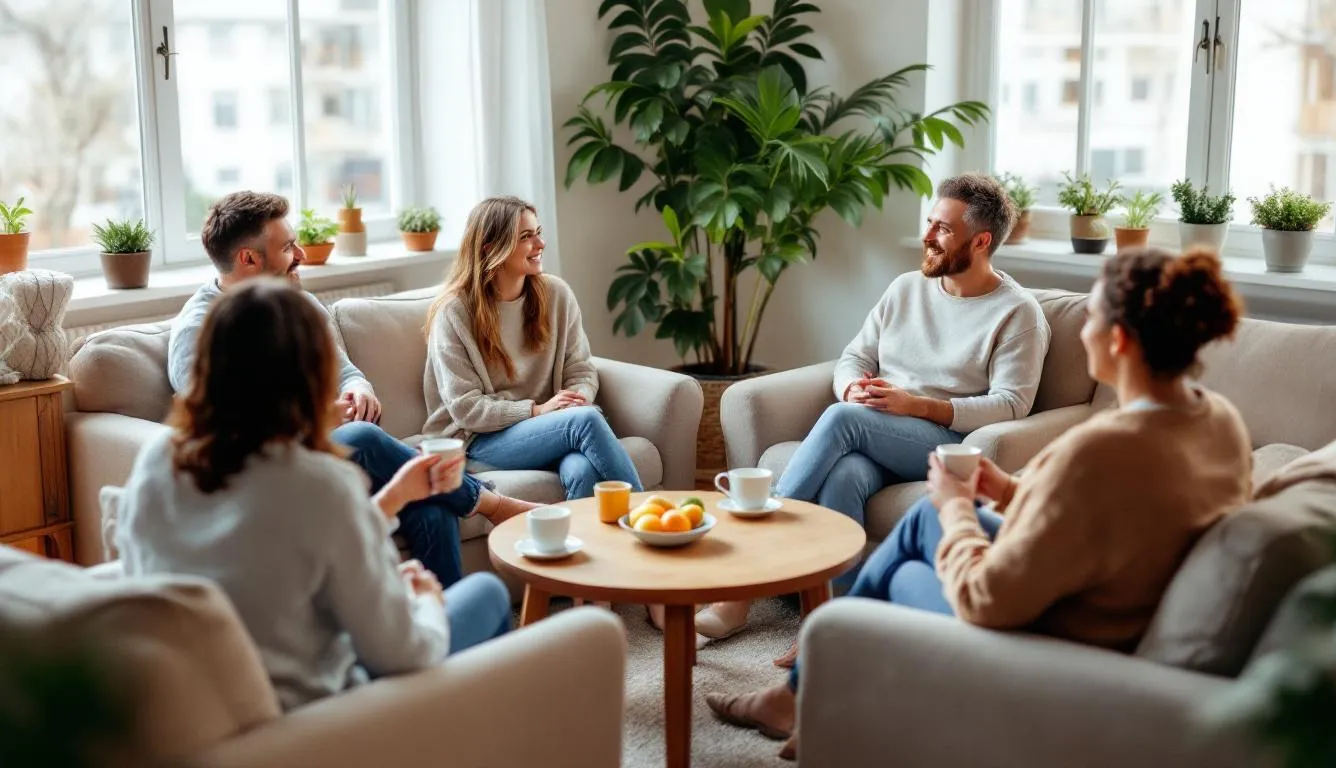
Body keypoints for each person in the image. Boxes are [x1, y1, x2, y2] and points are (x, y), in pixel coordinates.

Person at [704, 247, 1253, 760]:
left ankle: (801, 687)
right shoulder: (1219, 421)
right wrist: (1007, 491)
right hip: (1093, 590)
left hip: (1060, 633)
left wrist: (957, 508)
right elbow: (1102, 517)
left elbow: (987, 599)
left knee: (894, 578)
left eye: (1094, 318)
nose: (1083, 330)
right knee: (918, 516)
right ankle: (803, 688)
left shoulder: (1100, 449)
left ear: (1120, 342)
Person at [119, 281, 513, 710]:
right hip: (320, 713)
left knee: (429, 520)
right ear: (310, 375)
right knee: (488, 593)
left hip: (201, 697)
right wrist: (427, 603)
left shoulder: (158, 461)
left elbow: (274, 553)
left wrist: (395, 497)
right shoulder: (318, 482)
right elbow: (404, 653)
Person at [696, 173, 1051, 644]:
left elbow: (1012, 404)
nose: (927, 236)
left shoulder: (1018, 313)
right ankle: (833, 628)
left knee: (845, 424)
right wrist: (851, 391)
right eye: (929, 222)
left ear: (981, 241)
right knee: (846, 474)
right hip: (878, 427)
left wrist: (918, 406)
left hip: (946, 439)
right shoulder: (905, 289)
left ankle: (740, 587)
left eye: (943, 229)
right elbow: (854, 357)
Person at [166, 191, 536, 586]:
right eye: (289, 247)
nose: (303, 255)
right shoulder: (199, 331)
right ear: (249, 258)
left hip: (330, 455)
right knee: (361, 435)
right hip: (272, 468)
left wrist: (359, 387)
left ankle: (441, 627)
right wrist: (309, 421)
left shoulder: (301, 305)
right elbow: (216, 424)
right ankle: (490, 502)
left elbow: (345, 370)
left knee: (431, 508)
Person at [422, 195, 642, 500]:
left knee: (582, 470)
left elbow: (580, 368)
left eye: (538, 232)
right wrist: (538, 411)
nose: (540, 243)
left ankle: (584, 547)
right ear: (490, 248)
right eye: (526, 236)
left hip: (549, 427)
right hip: (479, 438)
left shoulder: (557, 295)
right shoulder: (454, 313)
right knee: (588, 420)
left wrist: (573, 401)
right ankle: (653, 520)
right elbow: (466, 408)